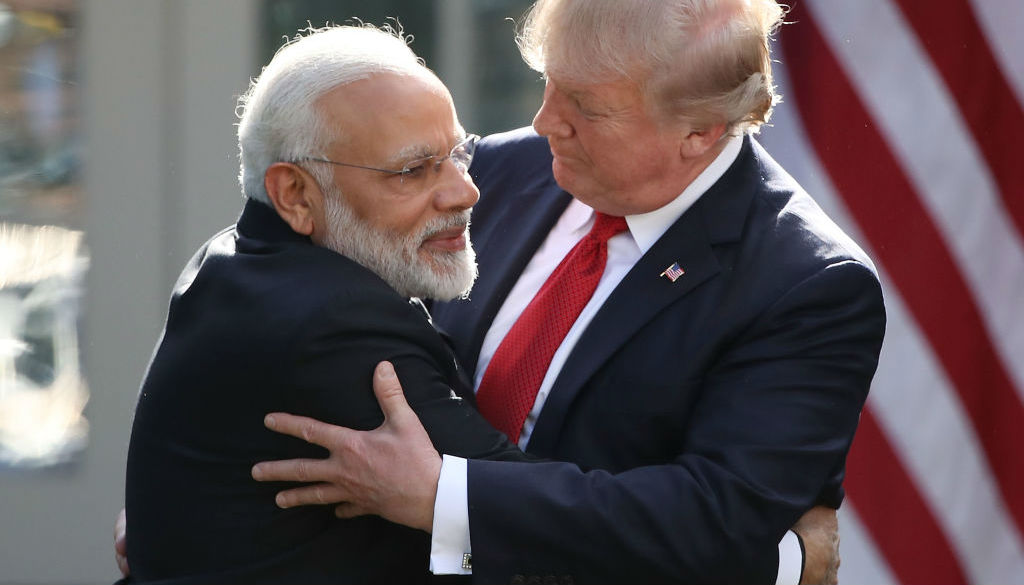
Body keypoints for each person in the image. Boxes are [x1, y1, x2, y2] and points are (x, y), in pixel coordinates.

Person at [249, 1, 886, 584]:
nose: (545, 121)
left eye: (587, 106)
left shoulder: (807, 285)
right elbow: (298, 285)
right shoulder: (498, 171)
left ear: (699, 131)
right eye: (549, 83)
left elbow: (713, 520)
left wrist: (447, 498)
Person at [121, 24, 529, 584]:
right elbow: (530, 532)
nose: (465, 191)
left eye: (457, 154)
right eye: (413, 170)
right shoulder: (332, 324)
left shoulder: (235, 257)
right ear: (294, 194)